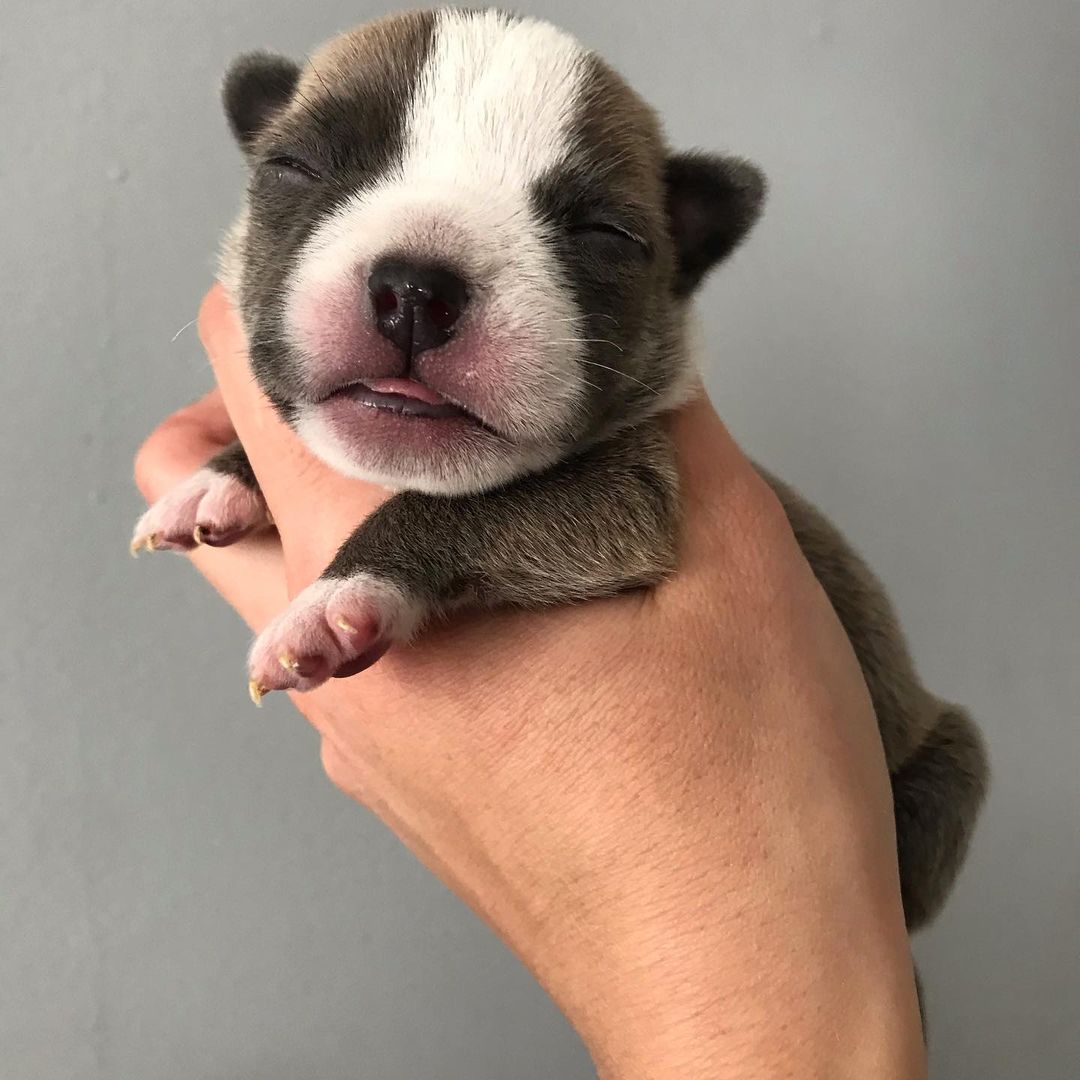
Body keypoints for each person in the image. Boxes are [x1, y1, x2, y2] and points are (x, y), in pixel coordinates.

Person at [134, 285, 927, 1078]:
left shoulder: (605, 417)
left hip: (902, 785)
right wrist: (250, 469)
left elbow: (609, 511)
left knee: (947, 774)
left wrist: (395, 569)